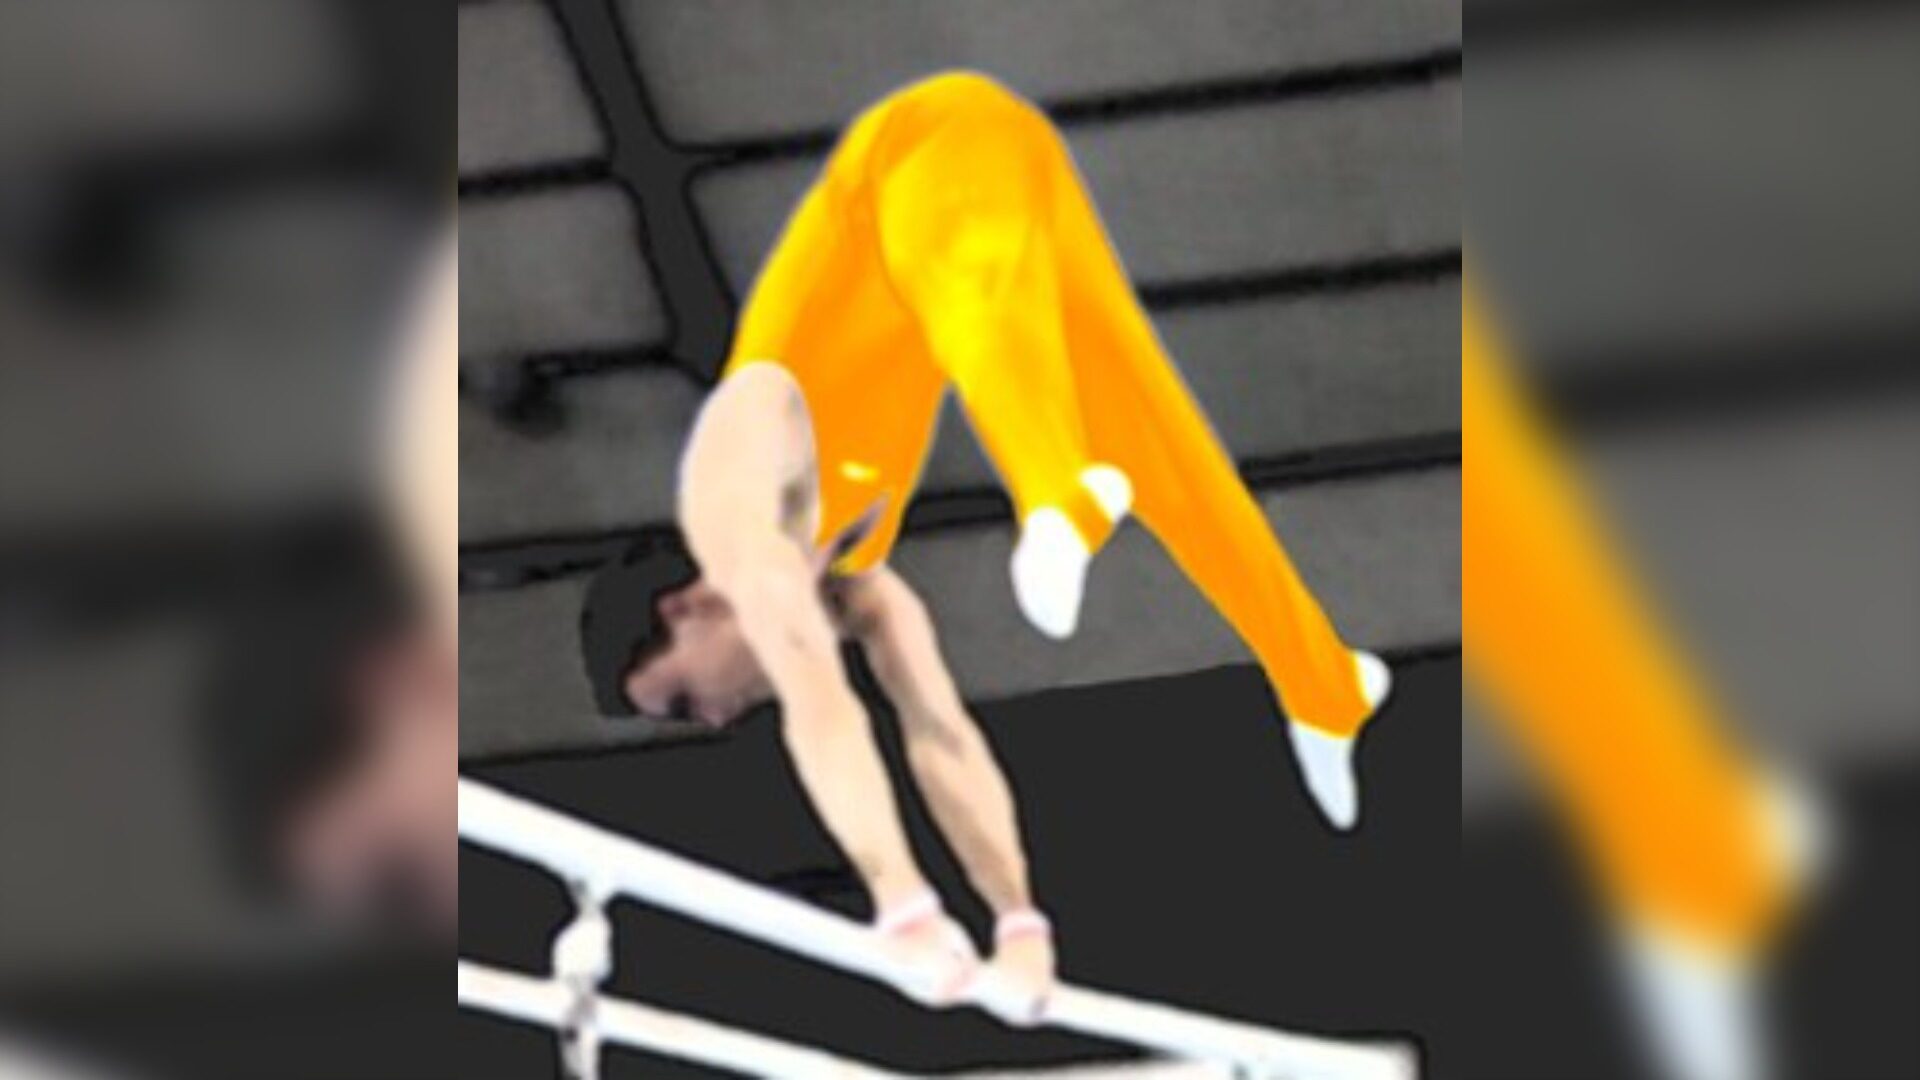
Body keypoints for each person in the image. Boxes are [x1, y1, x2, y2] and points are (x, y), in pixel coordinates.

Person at [581, 72, 1391, 1020]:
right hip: (1012, 178)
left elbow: (823, 708)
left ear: (686, 606)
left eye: (683, 699)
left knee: (973, 301)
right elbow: (941, 733)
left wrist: (903, 907)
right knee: (1163, 449)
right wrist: (1019, 928)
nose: (715, 719)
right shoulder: (854, 579)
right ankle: (1323, 684)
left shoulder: (728, 504)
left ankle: (1060, 499)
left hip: (929, 151)